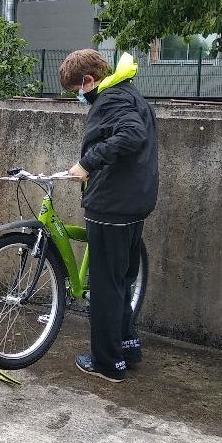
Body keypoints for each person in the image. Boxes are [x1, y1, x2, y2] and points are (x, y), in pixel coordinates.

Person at [59, 50, 158, 383]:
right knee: (122, 281)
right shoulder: (129, 93)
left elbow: (131, 136)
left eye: (76, 89)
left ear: (88, 80)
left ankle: (106, 363)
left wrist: (87, 164)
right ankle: (127, 348)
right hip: (134, 204)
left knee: (104, 287)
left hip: (111, 206)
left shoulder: (110, 99)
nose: (78, 96)